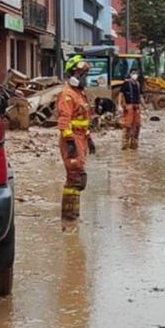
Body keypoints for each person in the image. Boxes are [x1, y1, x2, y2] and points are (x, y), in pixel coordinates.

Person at [56, 55, 94, 225]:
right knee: (75, 176)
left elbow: (83, 119)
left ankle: (73, 215)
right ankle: (69, 218)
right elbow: (64, 121)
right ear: (73, 74)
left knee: (79, 178)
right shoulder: (67, 95)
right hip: (72, 140)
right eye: (82, 74)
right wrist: (70, 142)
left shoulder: (80, 94)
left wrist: (89, 138)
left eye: (85, 74)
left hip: (80, 138)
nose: (85, 77)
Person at [120, 70, 143, 150]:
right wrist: (120, 105)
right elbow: (121, 94)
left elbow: (140, 96)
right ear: (130, 74)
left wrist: (145, 107)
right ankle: (124, 145)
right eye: (133, 73)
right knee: (127, 126)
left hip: (136, 107)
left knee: (137, 126)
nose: (135, 75)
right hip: (129, 107)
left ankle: (134, 145)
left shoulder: (138, 84)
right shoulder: (126, 83)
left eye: (136, 73)